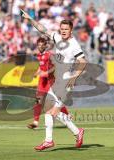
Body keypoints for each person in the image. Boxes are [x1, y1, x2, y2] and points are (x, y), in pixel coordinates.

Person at [21, 9, 87, 151]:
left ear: (71, 30)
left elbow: (83, 61)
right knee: (50, 111)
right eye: (62, 28)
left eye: (66, 29)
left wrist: (75, 77)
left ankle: (49, 140)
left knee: (52, 111)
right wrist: (29, 19)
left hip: (66, 82)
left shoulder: (74, 45)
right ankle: (76, 132)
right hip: (57, 82)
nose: (63, 31)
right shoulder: (57, 37)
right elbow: (43, 29)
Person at [27, 36, 69, 129]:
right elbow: (40, 67)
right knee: (38, 101)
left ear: (45, 46)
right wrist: (36, 73)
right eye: (38, 45)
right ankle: (35, 122)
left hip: (50, 80)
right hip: (42, 81)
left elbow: (55, 67)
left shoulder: (49, 55)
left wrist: (46, 72)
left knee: (56, 100)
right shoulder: (39, 55)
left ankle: (67, 116)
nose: (40, 47)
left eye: (42, 45)